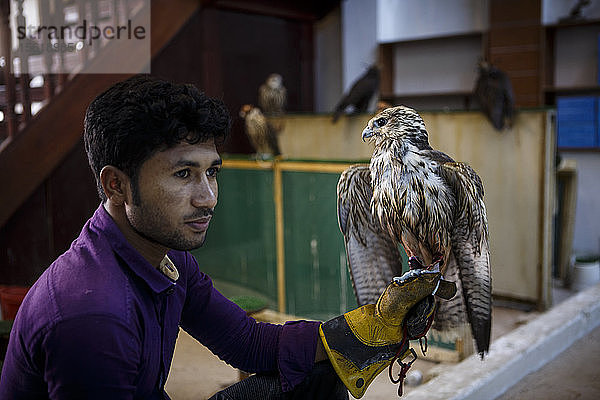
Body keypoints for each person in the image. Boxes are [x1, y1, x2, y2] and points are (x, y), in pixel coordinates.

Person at [0, 75, 439, 400]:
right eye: (183, 174)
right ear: (116, 185)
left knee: (317, 377)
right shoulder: (92, 315)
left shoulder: (165, 261)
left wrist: (374, 326)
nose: (208, 198)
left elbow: (251, 345)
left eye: (211, 172)